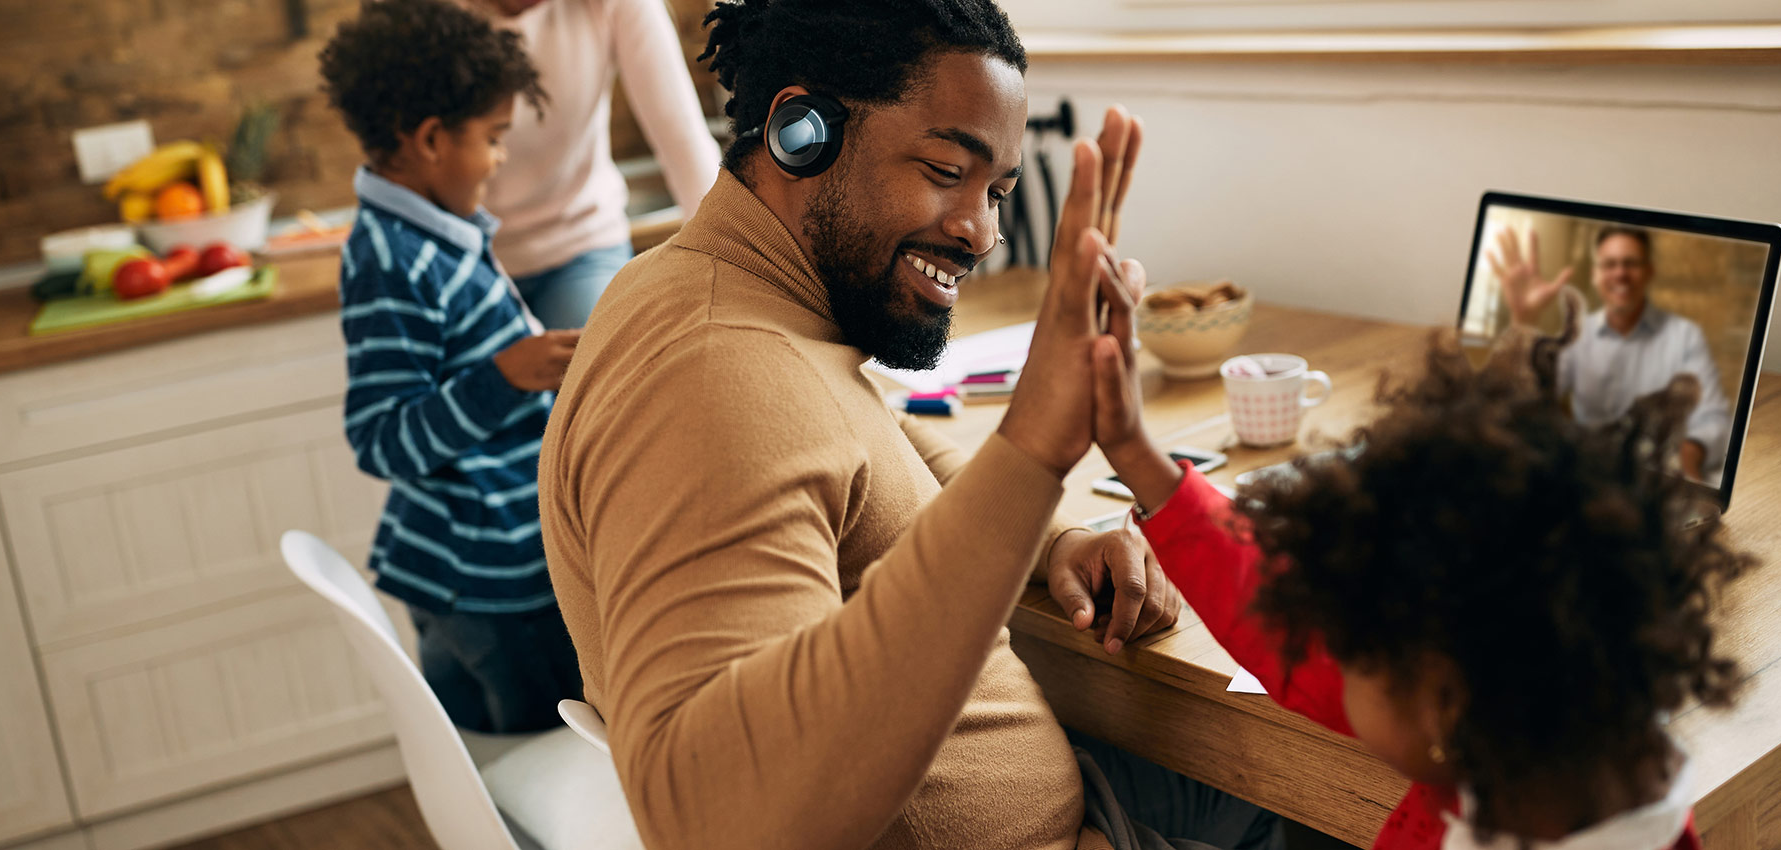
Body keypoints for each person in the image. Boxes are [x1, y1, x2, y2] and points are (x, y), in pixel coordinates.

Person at [537, 1, 1283, 848]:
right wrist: (1035, 446)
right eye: (942, 170)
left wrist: (1053, 539)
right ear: (798, 131)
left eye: (996, 190)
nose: (982, 231)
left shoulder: (722, 299)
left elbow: (874, 443)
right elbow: (718, 823)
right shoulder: (711, 375)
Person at [1089, 307, 1757, 849]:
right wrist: (1137, 453)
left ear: (1439, 695)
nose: (1323, 647)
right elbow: (1274, 613)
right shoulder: (1535, 722)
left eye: (1347, 644)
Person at [319, 0, 586, 734]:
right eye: (493, 139)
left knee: (492, 764)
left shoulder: (436, 234)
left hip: (478, 575)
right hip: (487, 587)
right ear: (432, 139)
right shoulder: (391, 262)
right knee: (544, 767)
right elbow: (380, 438)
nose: (500, 159)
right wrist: (507, 377)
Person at [465, 0, 721, 330]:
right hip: (465, 256)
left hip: (582, 247)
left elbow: (685, 145)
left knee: (608, 369)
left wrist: (731, 271)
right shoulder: (420, 17)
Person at [1489, 224, 1731, 481]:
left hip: (1657, 476)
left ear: (1649, 272)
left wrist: (1686, 458)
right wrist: (1523, 320)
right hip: (1587, 477)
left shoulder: (1684, 335)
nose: (1620, 274)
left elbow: (1712, 416)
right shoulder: (1577, 334)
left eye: (1631, 263)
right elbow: (1526, 400)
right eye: (1609, 264)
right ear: (1595, 275)